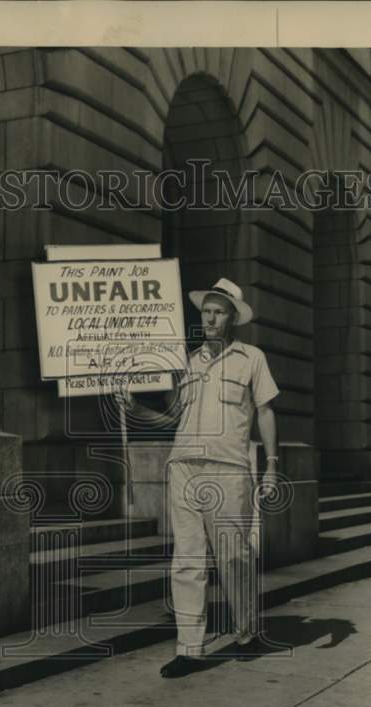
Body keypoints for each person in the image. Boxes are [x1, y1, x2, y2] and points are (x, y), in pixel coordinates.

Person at [115, 277, 280, 678]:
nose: (209, 317)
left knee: (234, 556)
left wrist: (272, 466)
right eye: (205, 310)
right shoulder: (187, 362)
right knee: (186, 562)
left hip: (229, 471)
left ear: (232, 318)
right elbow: (173, 418)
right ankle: (190, 649)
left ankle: (245, 631)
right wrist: (134, 406)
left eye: (218, 311)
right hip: (184, 467)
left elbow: (266, 413)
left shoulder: (252, 358)